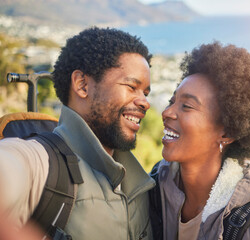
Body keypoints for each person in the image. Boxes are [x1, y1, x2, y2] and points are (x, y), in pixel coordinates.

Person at [0, 27, 155, 240]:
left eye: (146, 93)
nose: (145, 102)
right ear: (82, 85)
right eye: (131, 86)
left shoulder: (143, 184)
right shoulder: (39, 161)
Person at [150, 42, 250, 239]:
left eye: (186, 106)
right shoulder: (154, 187)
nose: (166, 112)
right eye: (172, 102)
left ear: (227, 133)